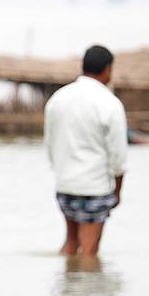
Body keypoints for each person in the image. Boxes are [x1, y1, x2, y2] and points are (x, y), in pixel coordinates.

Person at [44, 44, 128, 257]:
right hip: (93, 187)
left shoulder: (58, 98)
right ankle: (86, 290)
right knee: (89, 251)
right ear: (108, 69)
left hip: (65, 185)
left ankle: (65, 287)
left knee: (70, 243)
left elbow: (49, 143)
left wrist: (60, 173)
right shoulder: (109, 103)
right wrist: (117, 191)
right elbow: (118, 156)